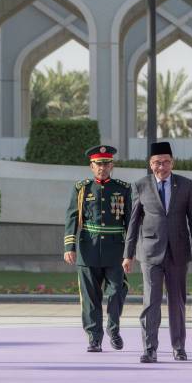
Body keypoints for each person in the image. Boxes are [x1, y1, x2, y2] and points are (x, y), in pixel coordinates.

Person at [123, 142, 192, 363]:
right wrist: (127, 254)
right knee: (151, 302)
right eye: (158, 162)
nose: (162, 166)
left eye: (166, 161)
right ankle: (150, 348)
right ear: (151, 164)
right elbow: (133, 223)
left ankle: (179, 347)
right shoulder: (140, 186)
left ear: (172, 162)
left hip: (178, 253)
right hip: (150, 253)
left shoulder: (185, 185)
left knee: (177, 302)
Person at [63, 145, 131, 353]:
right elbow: (72, 217)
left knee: (117, 291)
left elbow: (129, 221)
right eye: (98, 164)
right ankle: (94, 338)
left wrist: (131, 251)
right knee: (90, 298)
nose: (102, 167)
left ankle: (113, 328)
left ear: (112, 165)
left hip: (115, 250)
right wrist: (69, 246)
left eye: (106, 163)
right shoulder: (82, 188)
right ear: (91, 166)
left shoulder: (123, 188)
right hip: (88, 249)